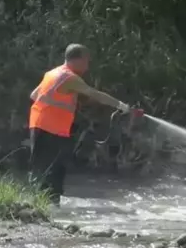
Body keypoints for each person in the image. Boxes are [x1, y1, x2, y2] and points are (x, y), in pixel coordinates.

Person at [28, 43, 130, 206]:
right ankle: (47, 210)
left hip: (40, 126)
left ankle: (42, 209)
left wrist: (63, 107)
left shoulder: (52, 73)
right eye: (86, 61)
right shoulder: (70, 78)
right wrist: (121, 106)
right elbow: (94, 94)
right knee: (53, 173)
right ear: (78, 59)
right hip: (51, 130)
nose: (88, 66)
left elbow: (34, 95)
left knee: (43, 170)